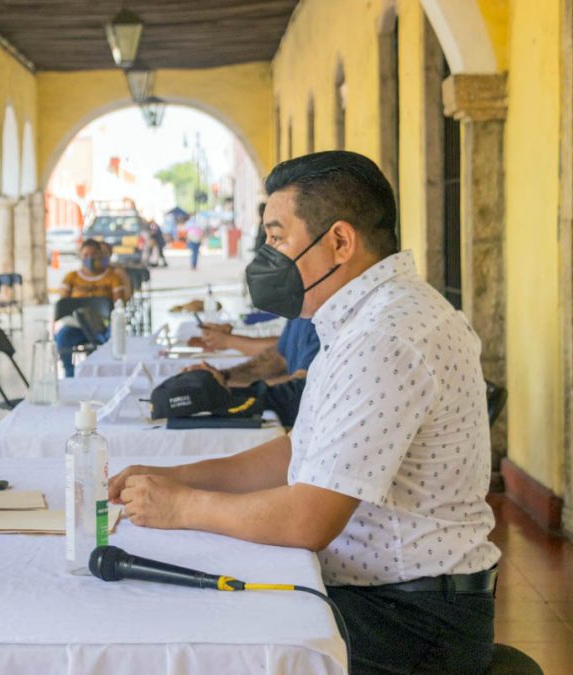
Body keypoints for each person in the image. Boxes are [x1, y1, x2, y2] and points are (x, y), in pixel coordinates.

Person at [110, 151, 500, 674]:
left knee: (184, 637)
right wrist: (174, 477)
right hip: (386, 599)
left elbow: (307, 520)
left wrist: (182, 507)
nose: (265, 254)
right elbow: (300, 450)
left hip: (410, 622)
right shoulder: (365, 319)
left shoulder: (387, 336)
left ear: (340, 242)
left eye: (277, 236)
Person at [185, 318, 319, 425]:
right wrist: (224, 376)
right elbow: (277, 357)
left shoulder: (321, 319)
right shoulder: (300, 311)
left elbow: (300, 391)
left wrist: (228, 394)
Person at [55, 239, 128, 377]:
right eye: (85, 254)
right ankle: (69, 373)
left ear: (100, 255)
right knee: (63, 336)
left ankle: (106, 371)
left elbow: (119, 302)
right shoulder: (71, 277)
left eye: (93, 254)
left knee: (114, 337)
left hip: (102, 324)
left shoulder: (113, 277)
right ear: (80, 255)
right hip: (77, 325)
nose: (89, 258)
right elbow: (64, 303)